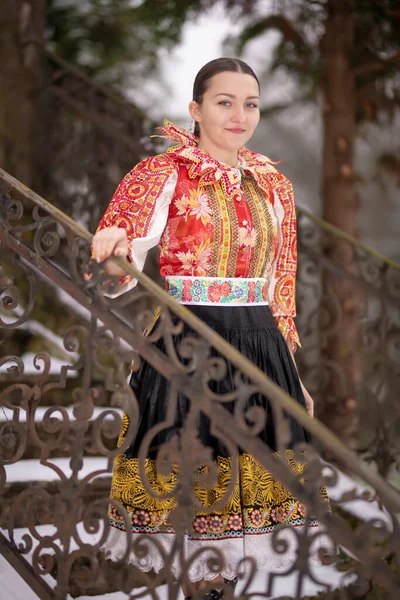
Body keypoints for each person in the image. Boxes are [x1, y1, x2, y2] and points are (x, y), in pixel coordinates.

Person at [91, 58, 329, 599]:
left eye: (251, 103)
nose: (239, 114)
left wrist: (295, 374)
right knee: (197, 510)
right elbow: (122, 249)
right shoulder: (163, 172)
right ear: (196, 109)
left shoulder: (274, 185)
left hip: (260, 343)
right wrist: (112, 250)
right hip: (188, 342)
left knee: (245, 521)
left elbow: (281, 285)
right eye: (225, 102)